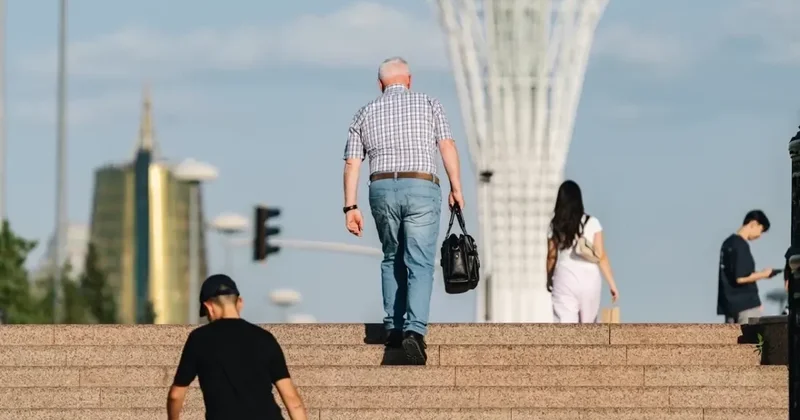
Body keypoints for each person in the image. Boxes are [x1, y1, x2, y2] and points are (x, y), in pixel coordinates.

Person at [342, 56, 464, 365]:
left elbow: (352, 163)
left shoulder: (364, 112)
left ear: (380, 84)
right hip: (422, 186)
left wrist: (350, 206)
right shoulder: (429, 104)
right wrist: (456, 187)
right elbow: (447, 145)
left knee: (391, 256)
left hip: (381, 187)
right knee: (420, 262)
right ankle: (414, 331)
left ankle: (394, 327)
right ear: (409, 80)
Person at [166, 274, 307, 420]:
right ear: (239, 302)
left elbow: (176, 395)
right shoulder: (265, 338)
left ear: (208, 306)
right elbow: (292, 400)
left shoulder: (199, 339)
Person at [547, 180, 619, 323]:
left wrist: (549, 277)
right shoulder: (592, 222)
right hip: (590, 279)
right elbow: (601, 256)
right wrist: (612, 284)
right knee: (588, 328)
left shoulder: (555, 224)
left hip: (565, 277)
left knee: (565, 329)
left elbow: (551, 256)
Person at [717, 210, 773, 324]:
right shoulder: (741, 245)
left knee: (731, 340)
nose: (759, 236)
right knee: (750, 339)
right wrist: (764, 274)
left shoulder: (727, 243)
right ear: (754, 224)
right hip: (746, 305)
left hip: (729, 304)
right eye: (761, 230)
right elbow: (741, 277)